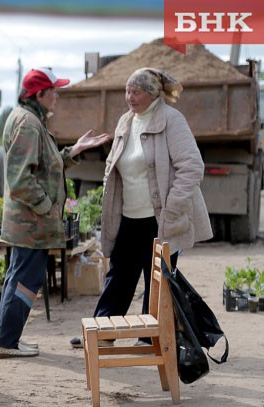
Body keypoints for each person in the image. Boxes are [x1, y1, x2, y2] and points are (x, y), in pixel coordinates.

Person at [70, 67, 213, 348]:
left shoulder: (172, 120)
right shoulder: (126, 121)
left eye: (135, 92)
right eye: (127, 91)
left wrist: (172, 208)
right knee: (119, 275)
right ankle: (103, 331)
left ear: (151, 93)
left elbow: (192, 167)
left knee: (156, 280)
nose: (129, 97)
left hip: (160, 218)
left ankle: (149, 337)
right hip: (129, 215)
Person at [0, 67, 111, 359]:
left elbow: (45, 166)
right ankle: (6, 343)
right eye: (53, 91)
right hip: (31, 222)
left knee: (18, 277)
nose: (57, 96)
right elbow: (21, 180)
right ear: (39, 94)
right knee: (24, 280)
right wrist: (47, 209)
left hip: (29, 222)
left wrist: (73, 151)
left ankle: (7, 338)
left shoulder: (27, 119)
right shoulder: (30, 124)